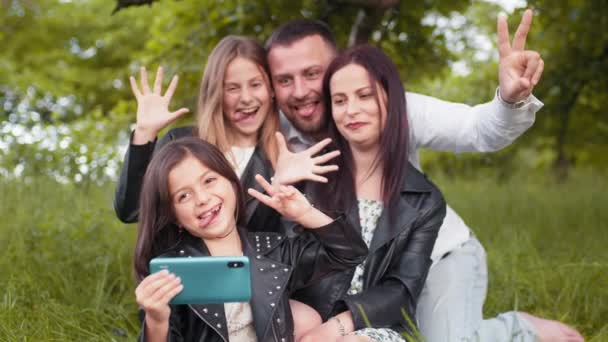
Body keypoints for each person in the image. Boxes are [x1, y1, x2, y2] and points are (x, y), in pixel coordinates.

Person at [266, 11, 583, 342]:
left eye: (312, 73)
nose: (300, 91)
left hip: (436, 255)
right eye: (285, 80)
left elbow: (476, 129)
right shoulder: (277, 135)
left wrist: (509, 99)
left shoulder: (401, 113)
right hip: (364, 278)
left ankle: (516, 330)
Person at [133, 137, 368, 342]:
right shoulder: (174, 271)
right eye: (183, 196)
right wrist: (156, 320)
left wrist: (306, 214)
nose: (202, 198)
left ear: (233, 183)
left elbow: (350, 253)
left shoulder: (273, 250)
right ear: (174, 217)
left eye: (209, 180)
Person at [114, 35, 337, 229]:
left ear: (271, 90)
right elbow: (132, 211)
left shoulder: (284, 161)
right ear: (216, 93)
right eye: (232, 88)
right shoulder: (180, 144)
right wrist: (144, 134)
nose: (246, 98)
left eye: (255, 84)